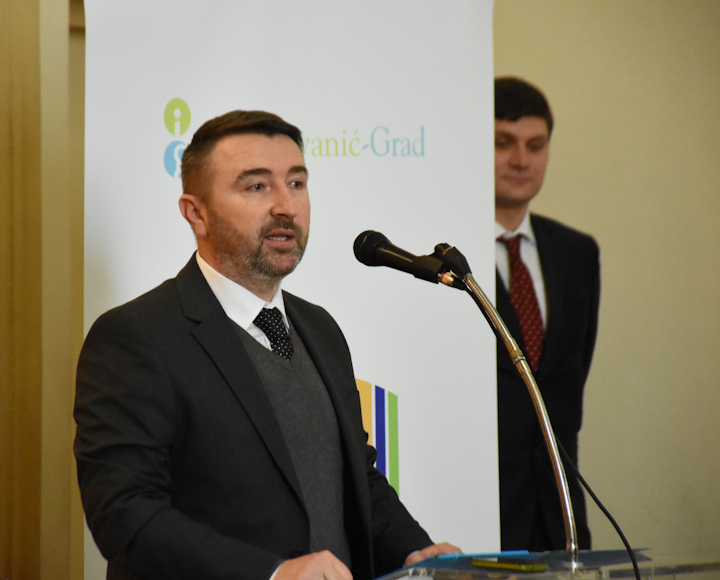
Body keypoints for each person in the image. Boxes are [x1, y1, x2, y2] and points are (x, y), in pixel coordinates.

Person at [74, 110, 459, 580]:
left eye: (296, 183)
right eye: (257, 186)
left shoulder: (320, 328)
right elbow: (125, 515)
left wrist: (415, 552)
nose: (285, 206)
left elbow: (354, 477)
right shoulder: (136, 337)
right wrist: (273, 573)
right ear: (196, 213)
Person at [493, 77, 600, 552]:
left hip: (561, 516)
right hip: (483, 511)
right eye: (503, 143)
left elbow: (570, 375)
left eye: (535, 146)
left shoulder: (577, 253)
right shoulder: (443, 258)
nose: (521, 160)